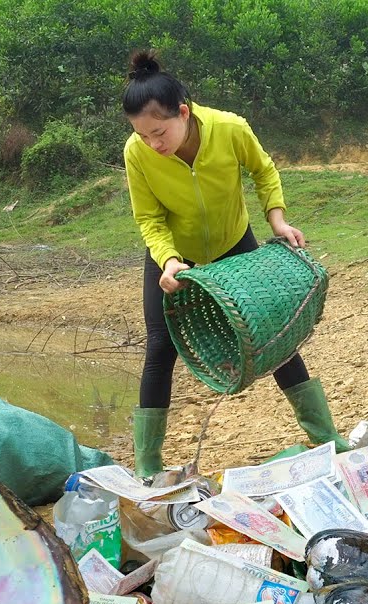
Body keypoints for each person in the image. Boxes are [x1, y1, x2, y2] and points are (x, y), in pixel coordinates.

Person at [122, 49, 348, 477]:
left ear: (183, 113)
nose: (154, 143)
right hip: (173, 257)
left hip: (233, 243)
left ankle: (326, 437)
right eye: (143, 135)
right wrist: (169, 261)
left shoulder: (230, 128)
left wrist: (276, 218)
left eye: (159, 131)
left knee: (274, 337)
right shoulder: (137, 153)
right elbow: (148, 218)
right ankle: (147, 466)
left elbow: (263, 170)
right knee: (159, 347)